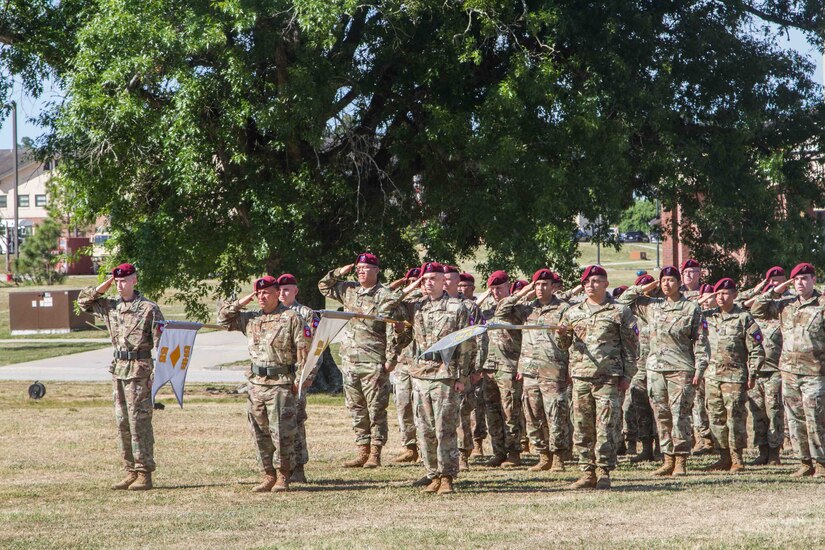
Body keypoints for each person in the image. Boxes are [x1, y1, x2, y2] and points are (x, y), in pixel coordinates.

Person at [78, 263, 164, 491]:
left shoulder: (148, 308)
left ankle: (145, 472)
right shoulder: (110, 305)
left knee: (140, 422)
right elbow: (83, 301)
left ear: (135, 280)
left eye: (124, 280)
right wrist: (105, 284)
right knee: (123, 422)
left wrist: (157, 374)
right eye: (116, 281)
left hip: (140, 369)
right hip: (118, 369)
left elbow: (162, 344)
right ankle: (130, 471)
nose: (119, 285)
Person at [218, 276, 307, 492]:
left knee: (282, 432)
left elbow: (304, 353)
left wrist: (300, 382)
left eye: (266, 292)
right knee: (260, 432)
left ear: (277, 293)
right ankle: (268, 473)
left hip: (280, 383)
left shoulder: (291, 318)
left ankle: (284, 475)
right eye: (258, 293)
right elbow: (222, 319)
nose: (261, 297)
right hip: (256, 384)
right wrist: (241, 302)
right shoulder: (251, 319)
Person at [621, 266, 709, 476]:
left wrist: (700, 369)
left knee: (680, 415)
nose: (667, 284)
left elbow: (701, 341)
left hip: (681, 369)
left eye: (671, 280)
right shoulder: (652, 306)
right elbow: (624, 302)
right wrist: (646, 286)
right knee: (662, 415)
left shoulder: (691, 308)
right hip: (655, 369)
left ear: (679, 283)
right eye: (664, 280)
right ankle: (667, 458)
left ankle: (681, 460)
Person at [318, 253, 401, 468]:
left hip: (374, 361)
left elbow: (396, 330)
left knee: (376, 409)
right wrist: (340, 272)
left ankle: (375, 452)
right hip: (350, 360)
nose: (361, 271)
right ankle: (362, 450)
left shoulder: (385, 295)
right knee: (356, 408)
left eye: (366, 267)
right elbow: (324, 287)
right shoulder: (349, 290)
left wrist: (391, 359)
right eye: (359, 268)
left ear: (377, 270)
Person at [557, 265, 637, 489]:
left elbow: (631, 347)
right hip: (581, 376)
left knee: (606, 426)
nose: (590, 286)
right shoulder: (573, 313)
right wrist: (561, 336)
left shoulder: (620, 311)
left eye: (595, 281)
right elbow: (564, 346)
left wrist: (628, 376)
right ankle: (587, 472)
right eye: (586, 282)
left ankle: (604, 471)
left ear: (605, 283)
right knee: (582, 427)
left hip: (608, 377)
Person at [395, 262, 472, 494]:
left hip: (445, 375)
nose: (428, 282)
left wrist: (462, 377)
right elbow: (386, 305)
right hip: (420, 374)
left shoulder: (457, 307)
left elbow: (466, 345)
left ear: (444, 281)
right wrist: (412, 287)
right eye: (425, 279)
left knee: (444, 428)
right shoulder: (415, 307)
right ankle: (433, 474)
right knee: (424, 428)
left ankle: (447, 475)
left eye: (433, 279)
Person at [751, 262, 825, 477]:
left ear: (813, 279)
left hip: (815, 372)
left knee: (816, 418)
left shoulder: (821, 304)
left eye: (805, 278)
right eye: (796, 279)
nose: (800, 283)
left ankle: (821, 462)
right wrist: (775, 291)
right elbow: (757, 309)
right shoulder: (786, 305)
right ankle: (805, 462)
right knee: (795, 419)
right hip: (789, 371)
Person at [498, 269, 571, 472]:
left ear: (553, 286)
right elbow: (501, 311)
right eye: (537, 284)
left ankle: (558, 457)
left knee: (555, 414)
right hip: (529, 370)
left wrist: (569, 369)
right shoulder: (527, 309)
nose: (540, 288)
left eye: (544, 284)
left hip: (554, 369)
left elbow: (572, 341)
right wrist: (524, 292)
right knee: (533, 415)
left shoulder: (564, 308)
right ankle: (543, 454)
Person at [701, 278, 765, 473]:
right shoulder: (708, 316)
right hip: (712, 376)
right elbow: (688, 309)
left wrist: (752, 373)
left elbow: (756, 349)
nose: (721, 297)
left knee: (735, 418)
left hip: (735, 377)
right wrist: (707, 297)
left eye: (725, 293)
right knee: (716, 417)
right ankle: (723, 456)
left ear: (735, 295)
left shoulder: (744, 318)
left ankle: (737, 458)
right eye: (718, 293)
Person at [740, 266, 787, 465]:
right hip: (755, 371)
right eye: (772, 281)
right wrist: (768, 290)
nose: (775, 284)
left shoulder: (785, 311)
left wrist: (779, 293)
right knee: (758, 412)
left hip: (775, 371)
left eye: (779, 280)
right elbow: (750, 304)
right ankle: (762, 450)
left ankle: (775, 452)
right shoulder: (756, 316)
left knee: (774, 411)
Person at [477, 270, 525, 467]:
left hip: (508, 365)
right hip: (489, 366)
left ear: (508, 286)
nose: (495, 292)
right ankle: (498, 451)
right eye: (492, 289)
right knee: (492, 411)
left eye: (499, 288)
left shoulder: (518, 309)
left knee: (510, 410)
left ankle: (514, 452)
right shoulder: (486, 309)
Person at [276, 273, 320, 483]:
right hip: (278, 377)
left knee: (296, 420)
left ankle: (299, 467)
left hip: (297, 374)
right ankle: (283, 466)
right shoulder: (274, 314)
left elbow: (315, 348)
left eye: (287, 289)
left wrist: (307, 375)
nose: (283, 294)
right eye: (280, 290)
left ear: (296, 291)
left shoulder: (306, 314)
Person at [443, 265, 483, 470]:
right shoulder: (434, 304)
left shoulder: (468, 306)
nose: (447, 282)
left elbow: (479, 338)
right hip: (440, 370)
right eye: (445, 278)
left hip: (464, 368)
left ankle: (464, 454)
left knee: (462, 413)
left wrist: (476, 369)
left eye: (451, 279)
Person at [618, 274, 658, 463]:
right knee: (641, 409)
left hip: (660, 366)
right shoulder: (632, 310)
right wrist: (643, 288)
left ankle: (662, 449)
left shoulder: (659, 307)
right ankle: (646, 448)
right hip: (640, 367)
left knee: (660, 409)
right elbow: (623, 298)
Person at [680, 258, 714, 455]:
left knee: (703, 400)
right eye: (686, 272)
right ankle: (692, 437)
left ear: (700, 273)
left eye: (693, 271)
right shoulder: (678, 295)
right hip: (686, 355)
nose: (689, 275)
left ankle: (706, 439)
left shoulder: (707, 292)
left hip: (704, 353)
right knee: (689, 401)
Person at [390, 267, 422, 464]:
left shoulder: (425, 304)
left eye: (416, 280)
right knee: (403, 405)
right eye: (411, 280)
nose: (414, 283)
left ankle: (424, 446)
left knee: (421, 406)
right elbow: (385, 297)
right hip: (403, 362)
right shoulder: (402, 304)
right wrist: (401, 283)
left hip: (421, 364)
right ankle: (409, 446)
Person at [459, 272, 489, 457]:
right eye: (459, 285)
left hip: (468, 367)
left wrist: (478, 368)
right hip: (448, 368)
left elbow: (481, 337)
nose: (461, 289)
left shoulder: (472, 307)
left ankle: (467, 450)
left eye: (465, 286)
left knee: (469, 408)